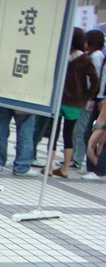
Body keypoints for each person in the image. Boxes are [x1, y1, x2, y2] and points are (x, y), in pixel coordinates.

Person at [43, 28, 98, 178]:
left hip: (58, 99)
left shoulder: (61, 56)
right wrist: (86, 96)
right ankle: (65, 168)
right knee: (68, 134)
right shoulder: (86, 59)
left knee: (53, 134)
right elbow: (95, 80)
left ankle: (49, 167)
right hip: (75, 103)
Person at [69, 29, 104, 170]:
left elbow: (96, 79)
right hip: (95, 97)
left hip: (94, 99)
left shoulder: (95, 57)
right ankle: (80, 158)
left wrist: (90, 96)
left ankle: (80, 159)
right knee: (84, 130)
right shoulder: (97, 56)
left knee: (84, 130)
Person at [84, 91, 106, 181]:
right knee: (95, 143)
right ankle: (97, 168)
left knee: (92, 143)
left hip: (101, 120)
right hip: (99, 100)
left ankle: (99, 169)